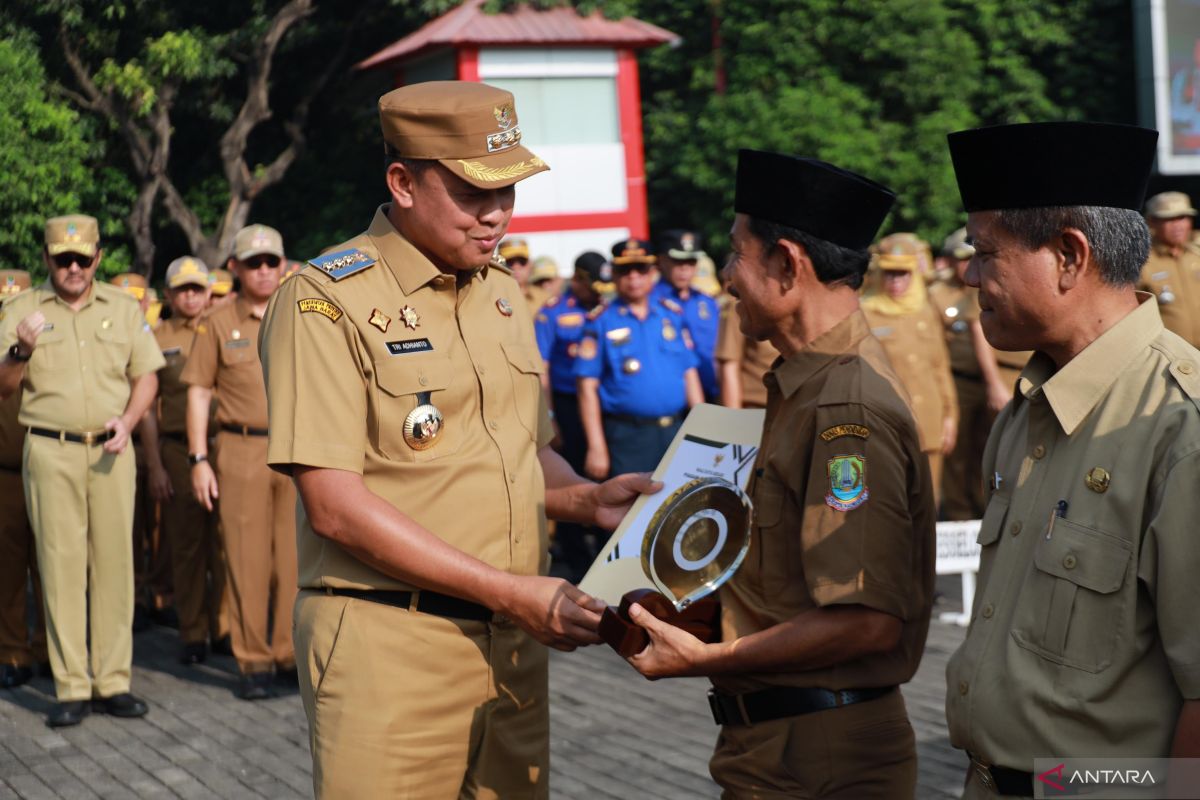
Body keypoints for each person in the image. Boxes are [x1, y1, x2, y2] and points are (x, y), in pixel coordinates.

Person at [258, 80, 658, 798]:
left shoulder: (501, 292)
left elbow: (517, 451)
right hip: (392, 647)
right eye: (475, 194)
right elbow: (335, 507)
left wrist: (584, 497)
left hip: (512, 647)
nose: (498, 214)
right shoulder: (325, 301)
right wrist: (512, 592)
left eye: (509, 191)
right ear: (403, 182)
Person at [625, 149, 935, 799]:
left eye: (737, 254)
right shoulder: (806, 385)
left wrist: (709, 659)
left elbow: (865, 620)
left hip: (818, 755)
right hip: (784, 744)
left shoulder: (844, 406)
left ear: (788, 264)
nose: (728, 278)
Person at [942, 121, 1200, 798]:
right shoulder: (1029, 405)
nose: (969, 275)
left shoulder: (1180, 427)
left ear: (1067, 256)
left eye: (984, 252)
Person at [0, 215, 164, 727]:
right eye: (62, 258)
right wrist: (20, 350)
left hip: (112, 450)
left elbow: (148, 376)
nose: (73, 267)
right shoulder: (21, 309)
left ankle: (112, 680)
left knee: (115, 565)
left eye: (83, 257)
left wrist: (131, 420)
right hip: (50, 450)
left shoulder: (121, 305)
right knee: (59, 566)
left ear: (97, 257)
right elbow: (4, 386)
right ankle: (71, 685)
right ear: (46, 258)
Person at [182, 224, 297, 700]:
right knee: (247, 560)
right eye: (255, 262)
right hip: (241, 449)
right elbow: (199, 392)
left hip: (296, 450)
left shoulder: (302, 314)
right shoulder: (216, 322)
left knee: (294, 561)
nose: (265, 270)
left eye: (272, 261)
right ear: (234, 268)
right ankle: (253, 661)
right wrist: (198, 458)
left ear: (284, 264)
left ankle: (290, 653)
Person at [139, 256, 228, 664]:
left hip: (226, 445)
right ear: (170, 294)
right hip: (178, 449)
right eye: (183, 289)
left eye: (198, 288)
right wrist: (155, 464)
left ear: (209, 291)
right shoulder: (156, 337)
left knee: (227, 543)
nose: (191, 296)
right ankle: (193, 631)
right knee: (188, 543)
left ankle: (224, 626)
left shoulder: (228, 326)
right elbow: (147, 406)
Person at [576, 238, 704, 479]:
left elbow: (689, 373)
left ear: (653, 273)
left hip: (676, 432)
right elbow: (586, 387)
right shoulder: (601, 321)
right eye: (625, 270)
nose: (633, 277)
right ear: (613, 274)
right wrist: (596, 446)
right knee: (629, 512)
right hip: (628, 436)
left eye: (641, 269)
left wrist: (702, 430)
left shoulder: (671, 314)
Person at [861, 233, 958, 502]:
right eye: (890, 274)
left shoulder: (926, 310)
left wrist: (950, 417)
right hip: (885, 424)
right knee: (887, 500)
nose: (896, 281)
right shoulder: (865, 313)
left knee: (928, 500)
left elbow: (940, 368)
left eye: (903, 274)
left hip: (929, 419)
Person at [535, 251, 611, 580]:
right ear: (577, 279)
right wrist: (549, 415)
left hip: (599, 402)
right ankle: (577, 561)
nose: (597, 292)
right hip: (565, 403)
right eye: (591, 285)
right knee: (568, 473)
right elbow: (542, 370)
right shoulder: (552, 313)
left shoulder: (608, 309)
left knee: (604, 478)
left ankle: (605, 553)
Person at [111, 272, 173, 629]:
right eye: (124, 298)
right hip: (119, 444)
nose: (131, 305)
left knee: (159, 528)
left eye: (136, 298)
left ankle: (157, 596)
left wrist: (155, 461)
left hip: (155, 444)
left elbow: (148, 407)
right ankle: (131, 598)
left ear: (148, 302)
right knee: (126, 532)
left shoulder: (147, 335)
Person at [0, 270, 48, 689]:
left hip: (50, 467)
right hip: (6, 473)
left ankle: (51, 650)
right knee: (10, 571)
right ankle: (13, 652)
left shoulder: (46, 342)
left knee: (53, 566)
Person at [652, 229, 721, 400]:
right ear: (661, 261)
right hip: (672, 400)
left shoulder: (706, 302)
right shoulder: (649, 303)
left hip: (711, 394)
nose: (685, 269)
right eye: (678, 261)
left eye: (691, 262)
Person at [1137, 190, 1200, 348]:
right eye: (1169, 219)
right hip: (1170, 358)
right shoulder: (1143, 263)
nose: (1178, 225)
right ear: (1152, 222)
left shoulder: (1196, 255)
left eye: (1182, 217)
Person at [499, 237, 547, 314]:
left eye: (522, 261)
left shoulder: (544, 298)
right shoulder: (491, 297)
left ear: (530, 264)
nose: (516, 267)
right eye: (509, 261)